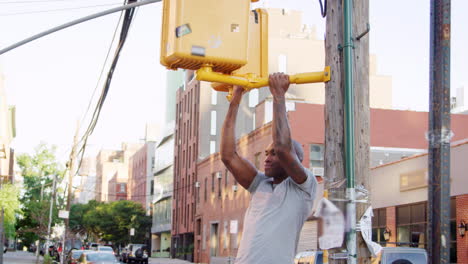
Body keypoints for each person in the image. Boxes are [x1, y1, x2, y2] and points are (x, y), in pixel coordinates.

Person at [220, 73, 318, 264]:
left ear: (295, 159)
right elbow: (228, 156)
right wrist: (235, 100)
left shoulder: (304, 186)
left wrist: (279, 96)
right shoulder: (260, 184)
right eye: (266, 153)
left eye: (273, 154)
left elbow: (283, 147)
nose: (267, 158)